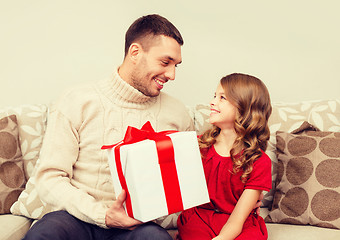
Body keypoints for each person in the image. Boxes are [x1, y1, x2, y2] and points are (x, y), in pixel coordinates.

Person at [23, 14, 193, 240]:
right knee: (45, 234)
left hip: (139, 225)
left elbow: (185, 187)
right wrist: (102, 215)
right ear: (135, 53)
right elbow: (50, 178)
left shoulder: (177, 113)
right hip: (77, 219)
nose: (171, 75)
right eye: (165, 62)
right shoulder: (77, 100)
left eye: (175, 66)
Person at [177, 73, 272, 240]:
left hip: (239, 223)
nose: (212, 102)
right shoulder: (197, 147)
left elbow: (237, 220)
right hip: (199, 219)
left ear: (245, 108)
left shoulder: (260, 161)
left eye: (222, 98)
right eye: (215, 96)